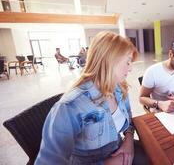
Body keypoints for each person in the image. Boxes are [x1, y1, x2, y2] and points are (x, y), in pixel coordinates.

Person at [36, 32, 144, 164]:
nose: (131, 68)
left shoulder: (120, 88)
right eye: (127, 62)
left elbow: (129, 117)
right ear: (109, 60)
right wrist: (107, 163)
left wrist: (128, 141)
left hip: (121, 151)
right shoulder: (70, 106)